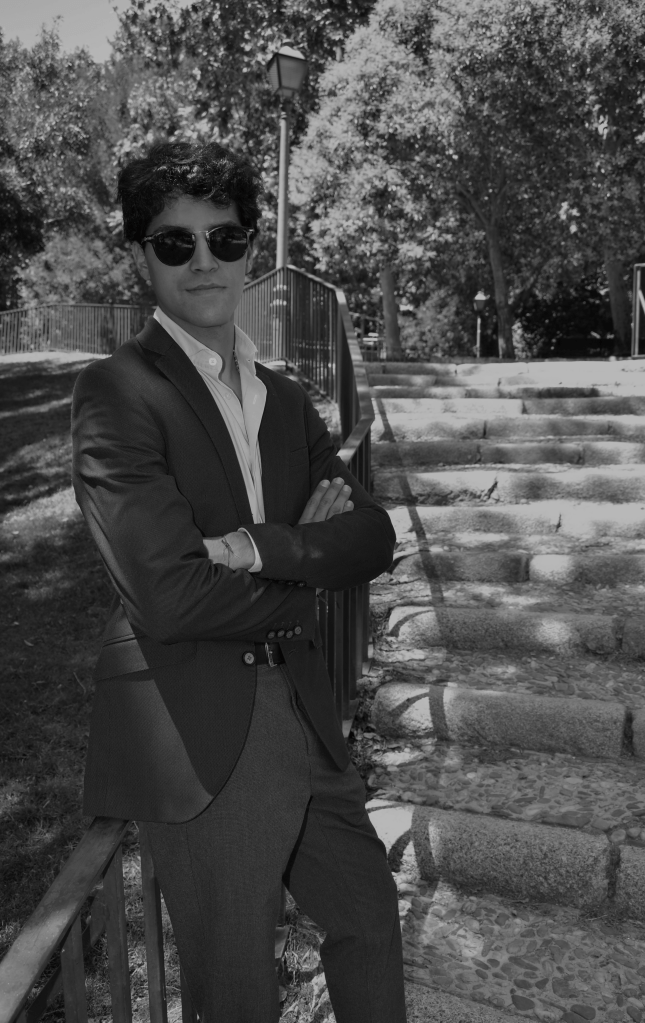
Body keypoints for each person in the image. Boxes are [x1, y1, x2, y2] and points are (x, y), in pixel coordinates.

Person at [71, 139, 406, 1023]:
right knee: (236, 990)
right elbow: (170, 595)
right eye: (174, 242)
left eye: (224, 237)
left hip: (304, 706)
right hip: (199, 724)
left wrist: (259, 546)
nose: (204, 261)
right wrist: (309, 568)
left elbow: (372, 536)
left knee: (369, 919)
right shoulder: (118, 393)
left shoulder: (284, 399)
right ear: (141, 256)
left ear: (252, 246)